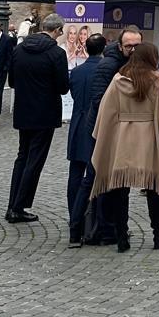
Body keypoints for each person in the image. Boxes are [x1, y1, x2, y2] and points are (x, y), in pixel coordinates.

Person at [90, 42, 159, 252]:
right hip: (148, 138)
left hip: (123, 138)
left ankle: (122, 237)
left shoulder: (118, 80)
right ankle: (158, 236)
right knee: (154, 188)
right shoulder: (157, 80)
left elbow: (106, 110)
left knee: (120, 189)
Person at [6, 12, 70, 223]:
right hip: (45, 113)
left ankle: (13, 205)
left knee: (22, 156)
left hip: (24, 110)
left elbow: (12, 81)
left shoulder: (19, 49)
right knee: (34, 160)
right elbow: (62, 87)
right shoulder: (56, 53)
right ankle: (18, 206)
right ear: (57, 30)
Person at [66, 32, 107, 246]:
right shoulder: (104, 71)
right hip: (94, 127)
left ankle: (74, 213)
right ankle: (93, 220)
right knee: (94, 174)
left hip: (77, 124)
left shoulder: (77, 71)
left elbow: (72, 94)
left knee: (75, 173)